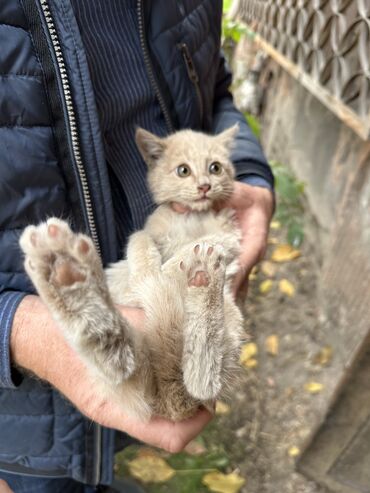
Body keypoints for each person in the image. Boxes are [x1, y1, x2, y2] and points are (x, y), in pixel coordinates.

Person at [0, 0, 274, 491]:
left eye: (214, 171)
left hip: (150, 354)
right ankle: (96, 317)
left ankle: (106, 322)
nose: (205, 184)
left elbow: (214, 86)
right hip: (25, 432)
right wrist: (16, 330)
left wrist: (251, 173)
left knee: (182, 379)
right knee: (151, 351)